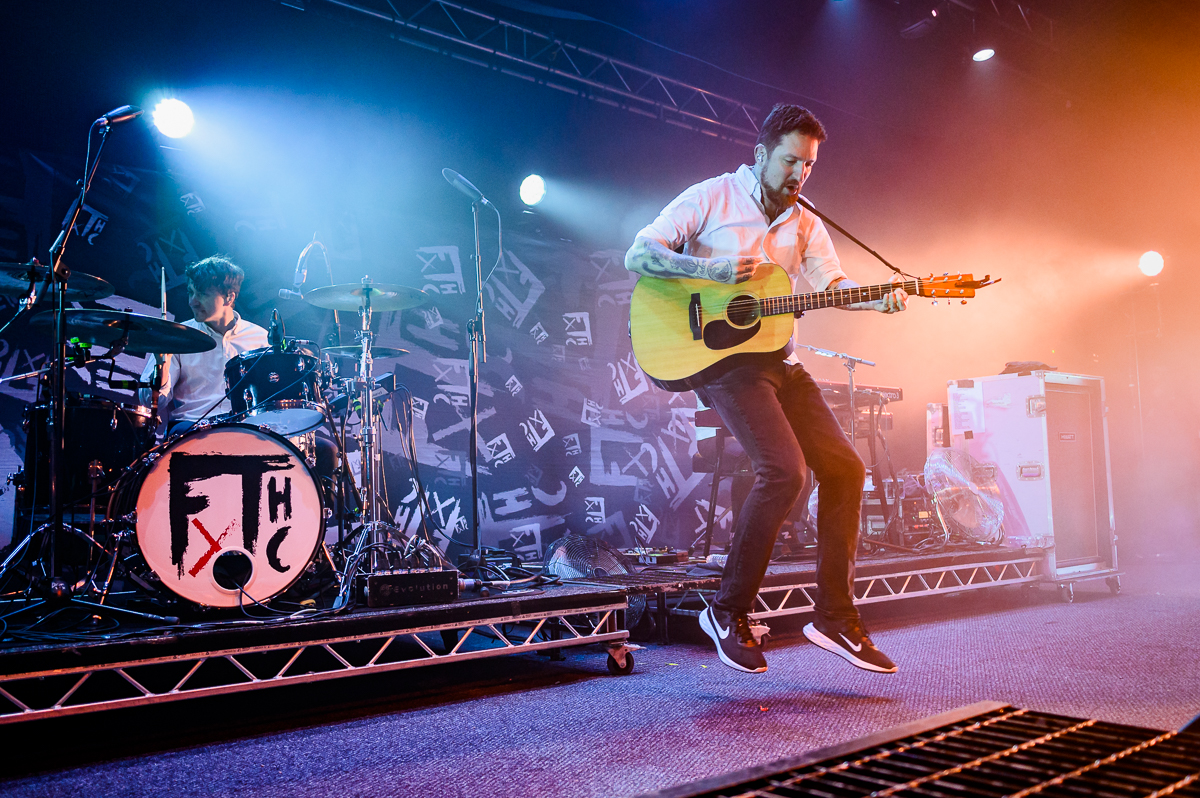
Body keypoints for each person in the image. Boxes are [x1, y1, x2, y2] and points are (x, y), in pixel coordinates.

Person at [625, 104, 908, 674]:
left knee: (847, 470)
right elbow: (639, 253)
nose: (800, 174)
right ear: (760, 154)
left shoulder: (806, 222)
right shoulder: (712, 197)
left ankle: (835, 617)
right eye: (790, 161)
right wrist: (711, 273)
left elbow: (832, 282)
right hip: (725, 361)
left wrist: (874, 298)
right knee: (785, 471)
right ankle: (727, 610)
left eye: (809, 165)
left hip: (781, 360)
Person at [140, 256, 269, 436]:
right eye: (191, 292)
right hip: (192, 428)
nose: (192, 301)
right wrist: (161, 366)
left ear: (229, 297)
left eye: (202, 294)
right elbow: (150, 402)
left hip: (247, 429)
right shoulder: (177, 336)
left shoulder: (261, 339)